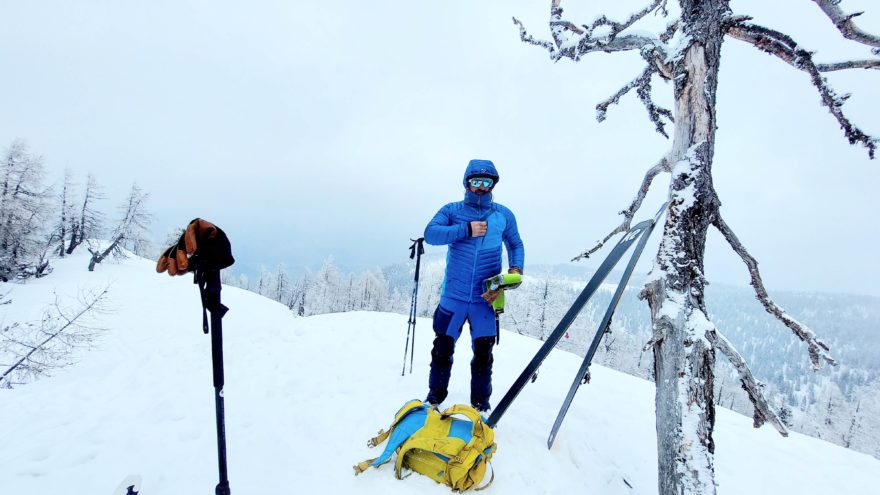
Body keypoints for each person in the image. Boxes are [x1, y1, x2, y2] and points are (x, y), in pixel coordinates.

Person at [423, 159, 525, 412]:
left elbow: (516, 244)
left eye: (486, 182)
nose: (480, 187)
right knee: (442, 351)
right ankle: (434, 400)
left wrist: (515, 270)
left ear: (493, 185)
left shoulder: (503, 214)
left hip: (486, 298)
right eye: (475, 181)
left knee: (483, 356)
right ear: (467, 183)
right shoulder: (452, 210)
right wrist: (465, 229)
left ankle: (480, 406)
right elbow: (431, 233)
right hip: (453, 297)